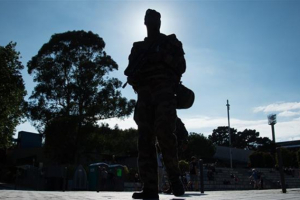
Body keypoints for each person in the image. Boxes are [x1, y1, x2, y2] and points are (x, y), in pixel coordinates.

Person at [124, 9, 186, 199]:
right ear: (144, 22)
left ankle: (175, 180)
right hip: (144, 96)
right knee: (144, 140)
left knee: (166, 136)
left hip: (164, 93)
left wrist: (161, 57)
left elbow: (181, 66)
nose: (152, 22)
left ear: (160, 22)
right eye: (148, 19)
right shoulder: (138, 48)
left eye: (155, 19)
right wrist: (138, 77)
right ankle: (150, 188)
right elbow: (130, 73)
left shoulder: (170, 42)